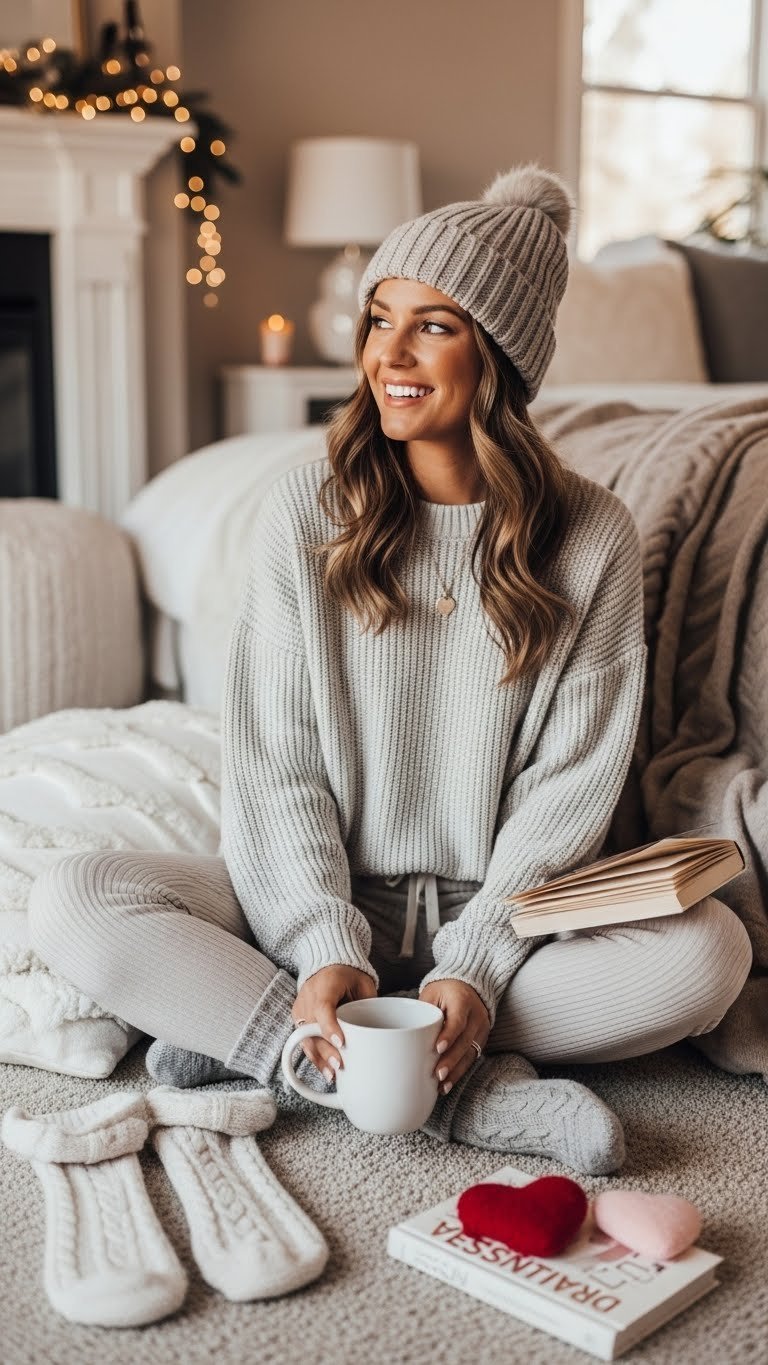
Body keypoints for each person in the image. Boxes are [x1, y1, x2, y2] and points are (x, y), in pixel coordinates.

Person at [28, 165, 751, 1176]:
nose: (389, 355)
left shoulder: (592, 536)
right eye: (379, 319)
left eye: (433, 326)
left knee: (710, 954)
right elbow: (274, 760)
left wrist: (480, 964)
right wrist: (326, 945)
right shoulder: (305, 511)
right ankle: (449, 1094)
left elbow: (569, 787)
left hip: (501, 913)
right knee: (77, 896)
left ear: (498, 352)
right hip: (311, 905)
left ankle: (267, 1040)